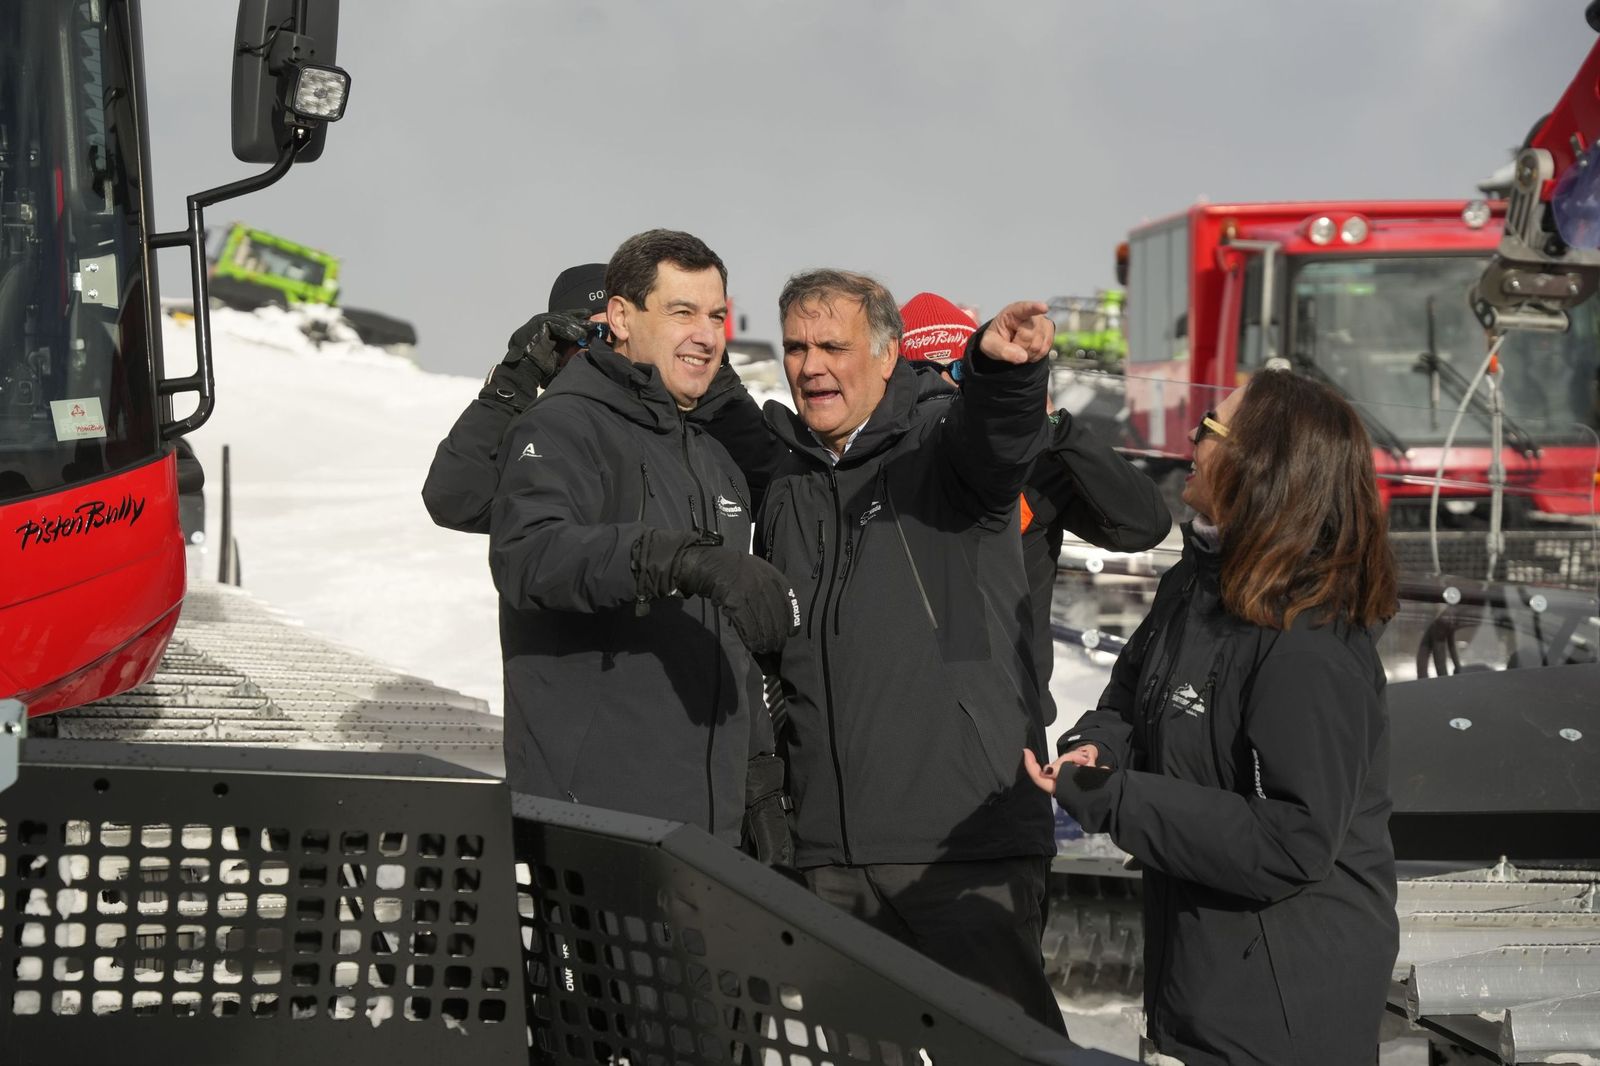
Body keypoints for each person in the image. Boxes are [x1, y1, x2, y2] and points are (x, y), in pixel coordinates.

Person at [1026, 370, 1399, 1066]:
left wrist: (1118, 799)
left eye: (1209, 427)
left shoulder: (1308, 638)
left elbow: (1294, 840)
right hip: (1202, 988)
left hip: (1281, 1022)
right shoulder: (1196, 585)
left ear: (1260, 462)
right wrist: (1094, 750)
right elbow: (1129, 700)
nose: (1191, 439)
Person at [753, 269, 1068, 1033]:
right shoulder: (789, 483)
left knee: (1003, 1054)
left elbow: (997, 443)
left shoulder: (940, 449)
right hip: (832, 861)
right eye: (796, 346)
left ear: (889, 356)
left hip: (959, 853)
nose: (811, 364)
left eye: (834, 344)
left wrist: (1003, 374)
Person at [488, 229, 799, 843]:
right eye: (682, 312)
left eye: (716, 316)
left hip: (710, 827)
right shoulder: (564, 425)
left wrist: (759, 781)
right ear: (622, 318)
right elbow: (530, 557)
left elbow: (728, 645)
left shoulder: (713, 458)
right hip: (599, 820)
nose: (706, 335)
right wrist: (679, 559)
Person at [897, 291, 1170, 727]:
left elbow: (1141, 526)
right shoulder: (880, 463)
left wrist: (1054, 427)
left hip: (1012, 715)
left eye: (960, 370)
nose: (946, 388)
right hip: (910, 718)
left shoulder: (1031, 463)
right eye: (923, 374)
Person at [422, 262, 610, 533]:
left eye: (619, 332)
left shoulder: (677, 417)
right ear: (560, 342)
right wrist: (515, 377)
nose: (608, 348)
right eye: (590, 335)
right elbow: (456, 500)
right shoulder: (550, 433)